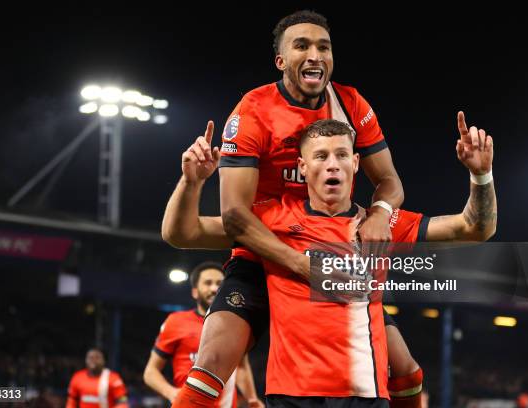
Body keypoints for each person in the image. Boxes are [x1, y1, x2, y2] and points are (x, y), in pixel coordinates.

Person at [162, 10, 421, 407]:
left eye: (324, 46)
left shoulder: (350, 105)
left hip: (332, 252)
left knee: (404, 366)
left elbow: (390, 181)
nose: (315, 54)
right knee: (212, 359)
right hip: (264, 248)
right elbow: (233, 214)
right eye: (302, 46)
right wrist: (300, 264)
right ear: (281, 61)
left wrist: (382, 212)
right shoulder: (253, 109)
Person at [165, 112, 495, 406]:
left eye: (341, 154)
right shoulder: (270, 221)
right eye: (320, 156)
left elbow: (475, 227)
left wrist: (481, 177)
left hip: (365, 395)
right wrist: (190, 183)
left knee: (409, 371)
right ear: (303, 168)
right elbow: (182, 233)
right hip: (291, 396)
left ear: (355, 163)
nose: (332, 164)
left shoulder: (379, 225)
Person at [143, 262, 264, 408]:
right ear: (195, 291)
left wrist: (252, 399)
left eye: (220, 284)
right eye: (208, 283)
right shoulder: (176, 321)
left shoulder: (235, 325)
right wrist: (171, 392)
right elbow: (150, 372)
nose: (214, 288)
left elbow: (242, 367)